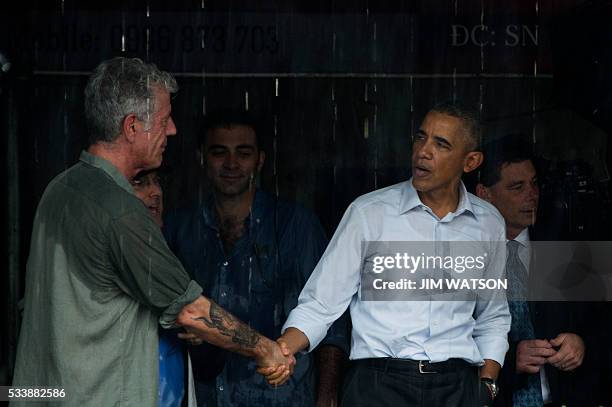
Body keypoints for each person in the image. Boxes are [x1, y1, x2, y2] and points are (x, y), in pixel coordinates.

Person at [11, 57, 293, 407]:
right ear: (131, 127)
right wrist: (266, 349)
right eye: (164, 120)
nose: (172, 129)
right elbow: (191, 310)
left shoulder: (61, 189)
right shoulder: (118, 209)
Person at [265, 102, 511, 406]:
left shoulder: (488, 223)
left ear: (470, 161)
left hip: (457, 388)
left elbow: (493, 315)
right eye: (421, 138)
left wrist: (486, 387)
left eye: (441, 144)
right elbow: (320, 304)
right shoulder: (369, 214)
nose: (424, 151)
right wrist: (283, 349)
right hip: (379, 385)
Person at [163, 109, 349, 407]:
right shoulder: (179, 228)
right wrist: (183, 327)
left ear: (260, 160)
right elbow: (159, 305)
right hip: (203, 396)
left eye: (244, 153)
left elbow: (333, 319)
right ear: (202, 157)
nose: (232, 163)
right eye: (219, 152)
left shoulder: (296, 225)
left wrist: (327, 398)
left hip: (282, 397)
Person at [475, 135, 603, 406]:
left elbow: (601, 322)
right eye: (517, 187)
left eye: (534, 184)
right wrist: (507, 363)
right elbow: (441, 347)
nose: (531, 195)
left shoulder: (566, 249)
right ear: (484, 194)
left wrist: (582, 343)